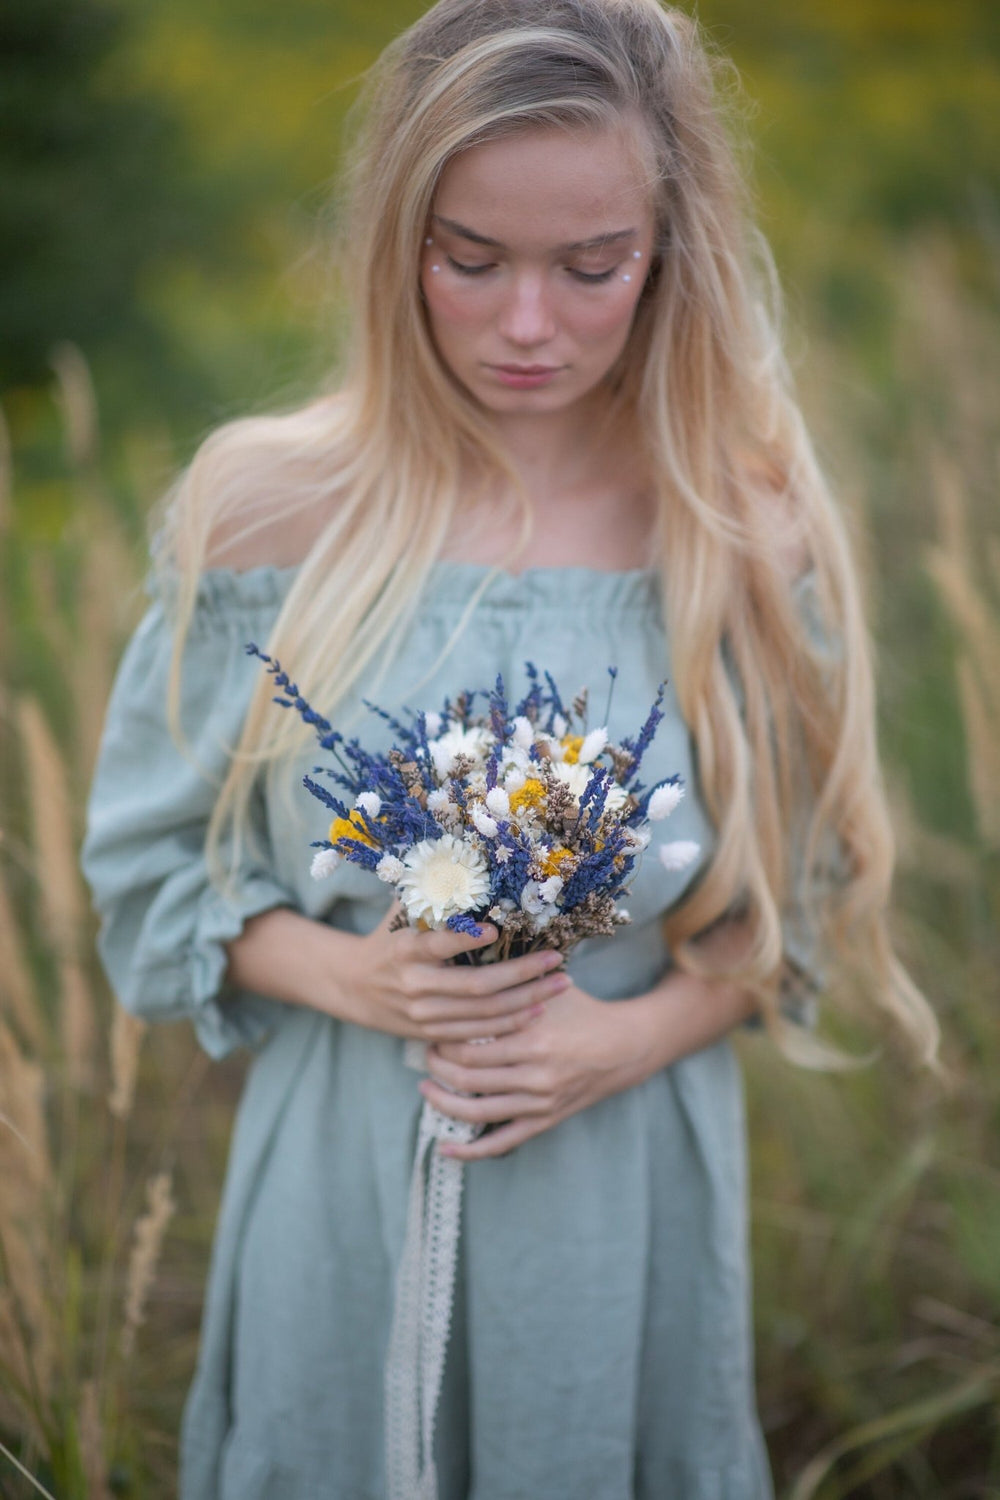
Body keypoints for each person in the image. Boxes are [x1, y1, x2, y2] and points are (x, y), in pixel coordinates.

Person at [82, 1, 939, 1496]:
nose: (525, 323)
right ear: (393, 237)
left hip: (628, 1216)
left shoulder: (741, 525)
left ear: (667, 249)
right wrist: (355, 973)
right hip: (344, 1196)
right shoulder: (269, 514)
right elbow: (150, 878)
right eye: (467, 260)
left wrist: (624, 1038)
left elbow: (775, 913)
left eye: (590, 267)